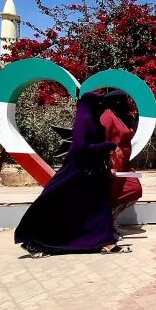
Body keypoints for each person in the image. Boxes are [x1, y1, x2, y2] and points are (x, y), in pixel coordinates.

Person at [15, 91, 129, 257]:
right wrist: (109, 146)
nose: (101, 108)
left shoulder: (95, 122)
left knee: (99, 208)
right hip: (75, 174)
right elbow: (81, 150)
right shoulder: (84, 122)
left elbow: (94, 147)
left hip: (93, 174)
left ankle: (106, 243)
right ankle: (33, 240)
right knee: (57, 206)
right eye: (97, 105)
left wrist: (106, 164)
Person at [101, 90, 143, 227]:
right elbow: (103, 140)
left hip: (124, 164)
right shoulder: (107, 117)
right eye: (124, 102)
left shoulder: (118, 116)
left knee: (134, 189)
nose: (127, 105)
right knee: (111, 194)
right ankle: (105, 224)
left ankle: (108, 220)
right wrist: (108, 164)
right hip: (113, 165)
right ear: (117, 103)